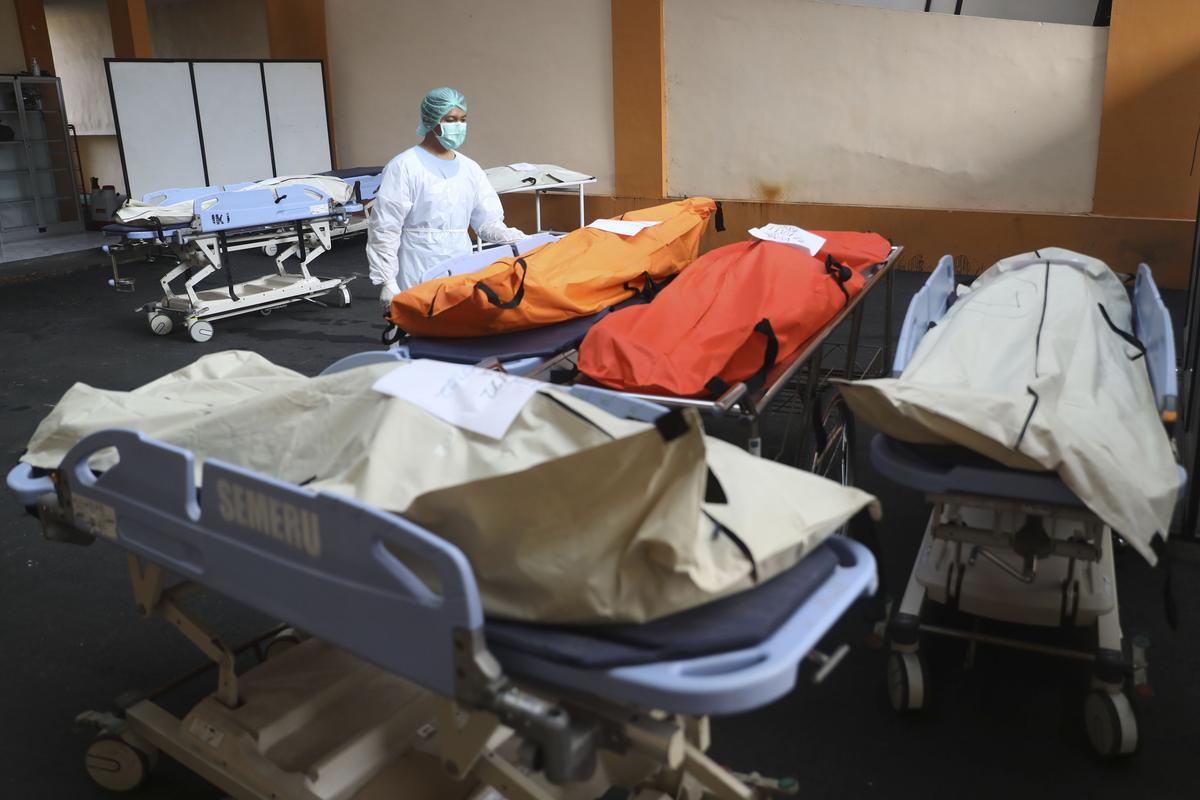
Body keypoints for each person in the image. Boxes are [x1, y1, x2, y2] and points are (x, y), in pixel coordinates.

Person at [367, 87, 525, 306]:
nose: (458, 126)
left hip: (460, 259)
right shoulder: (404, 166)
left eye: (463, 119)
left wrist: (519, 239)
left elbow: (487, 222)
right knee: (418, 325)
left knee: (458, 326)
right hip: (418, 261)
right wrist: (387, 280)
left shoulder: (469, 168)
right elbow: (385, 228)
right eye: (451, 120)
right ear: (432, 121)